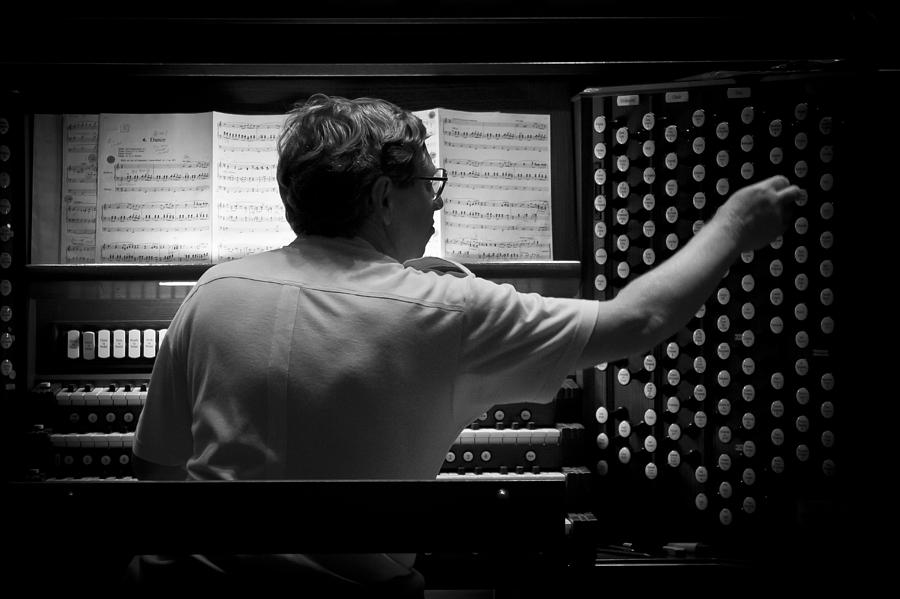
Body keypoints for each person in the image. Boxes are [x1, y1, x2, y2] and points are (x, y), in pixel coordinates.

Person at [127, 93, 800, 596]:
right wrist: (734, 227)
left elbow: (157, 479)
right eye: (429, 183)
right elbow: (637, 319)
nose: (438, 204)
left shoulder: (212, 291)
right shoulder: (443, 307)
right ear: (384, 198)